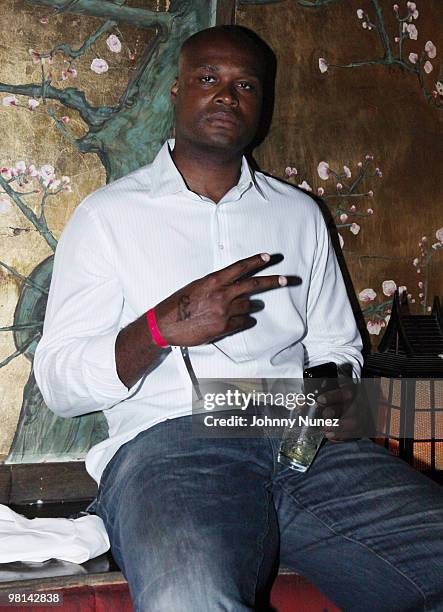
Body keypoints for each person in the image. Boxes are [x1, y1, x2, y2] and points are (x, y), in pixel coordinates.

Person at [34, 25, 443, 612]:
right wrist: (161, 328)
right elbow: (58, 384)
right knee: (189, 598)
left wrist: (330, 388)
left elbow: (338, 344)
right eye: (209, 79)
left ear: (262, 103)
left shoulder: (299, 215)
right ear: (175, 91)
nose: (227, 96)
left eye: (245, 84)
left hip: (303, 442)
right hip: (170, 447)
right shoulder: (107, 216)